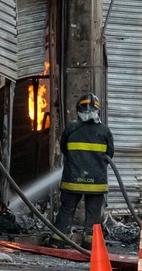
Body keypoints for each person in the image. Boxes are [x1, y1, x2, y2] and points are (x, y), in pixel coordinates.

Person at [48, 93, 114, 248]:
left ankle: (57, 242)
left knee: (67, 209)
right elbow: (110, 153)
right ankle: (89, 245)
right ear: (98, 110)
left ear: (78, 109)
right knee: (93, 213)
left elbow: (64, 149)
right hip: (96, 182)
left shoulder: (71, 128)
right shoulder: (104, 131)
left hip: (73, 180)